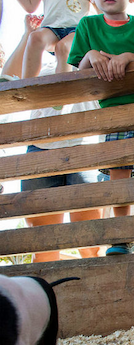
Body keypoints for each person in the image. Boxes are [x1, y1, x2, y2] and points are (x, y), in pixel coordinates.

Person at [68, 0, 134, 255]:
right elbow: (78, 73)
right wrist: (90, 55)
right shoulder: (88, 27)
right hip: (113, 116)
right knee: (118, 176)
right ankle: (121, 236)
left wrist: (130, 57)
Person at [2, 15, 105, 263]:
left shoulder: (91, 54)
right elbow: (9, 75)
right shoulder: (40, 62)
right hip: (41, 150)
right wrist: (29, 33)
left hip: (84, 147)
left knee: (89, 242)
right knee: (44, 245)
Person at [0, 0, 90, 78]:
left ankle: (62, 89)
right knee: (35, 37)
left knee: (62, 48)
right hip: (52, 29)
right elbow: (30, 6)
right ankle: (28, 86)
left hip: (77, 29)